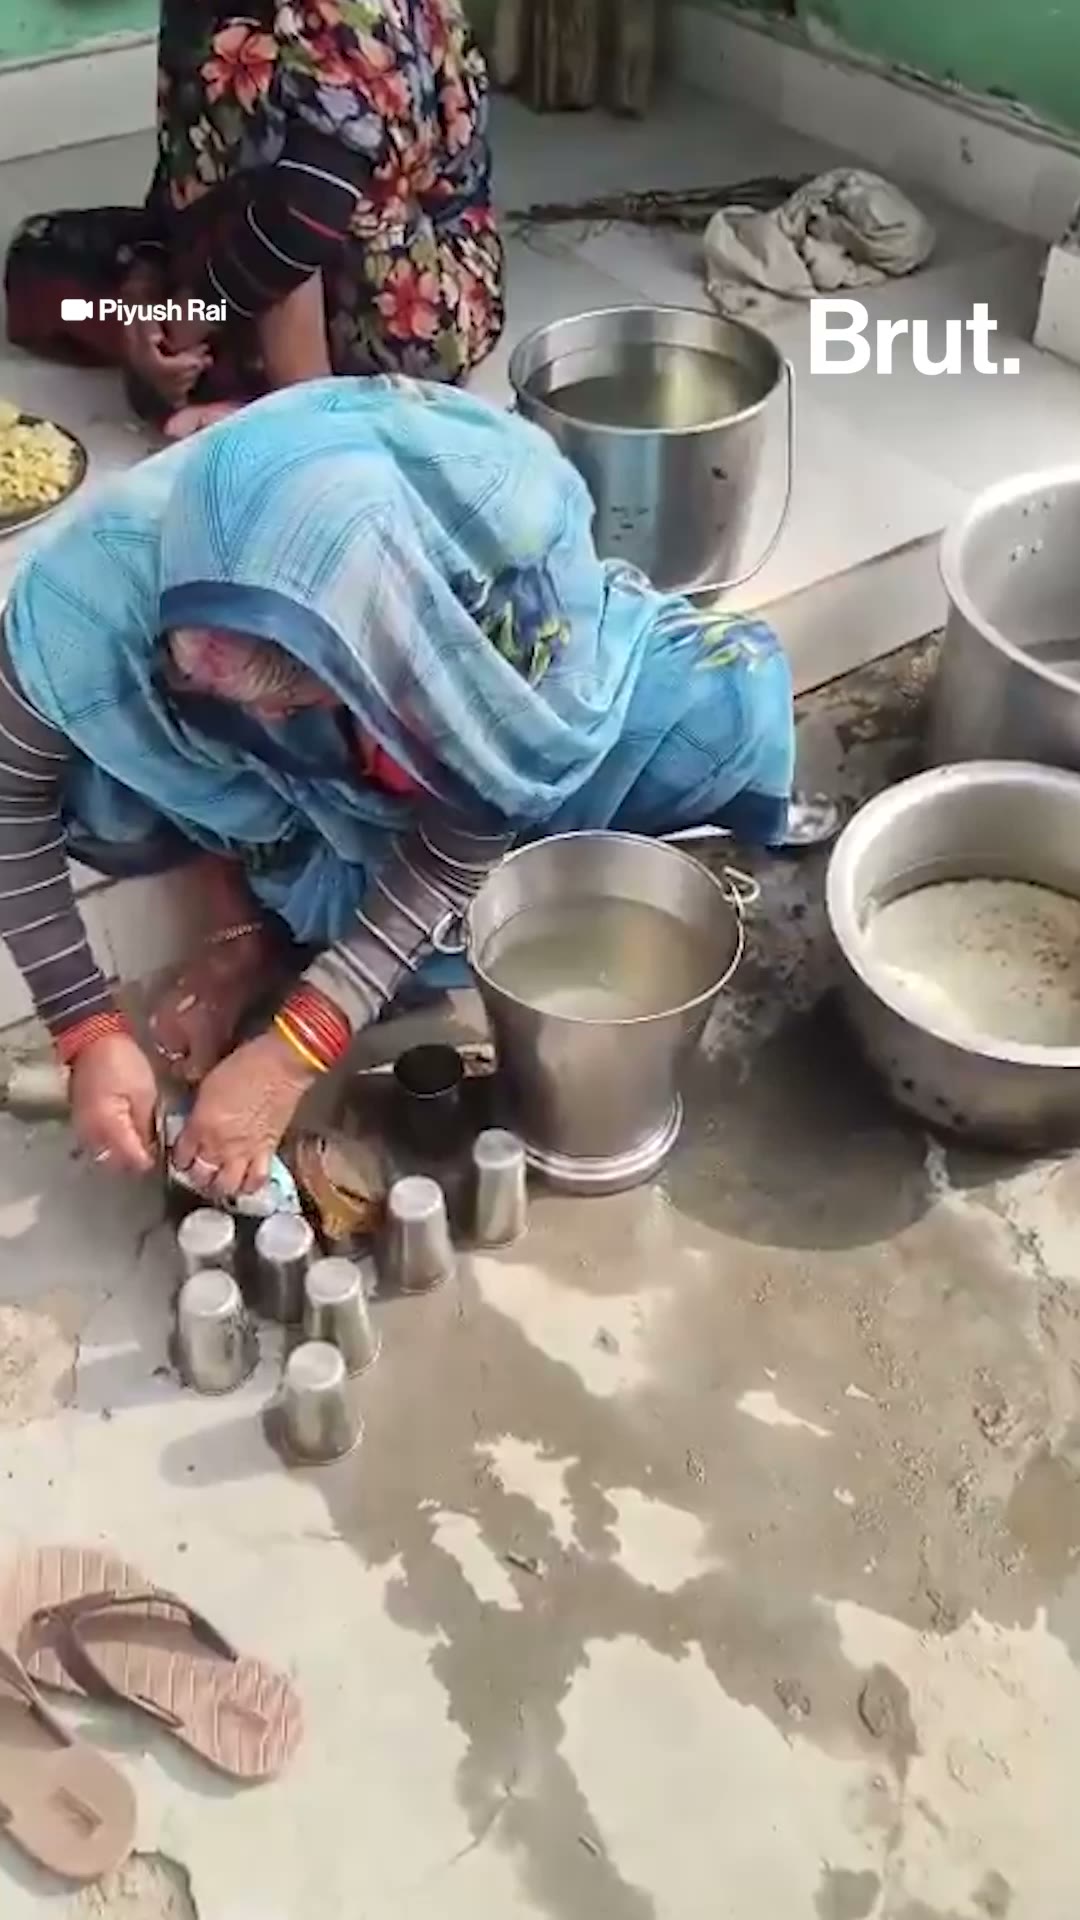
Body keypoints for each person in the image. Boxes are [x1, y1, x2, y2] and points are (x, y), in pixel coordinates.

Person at [0, 377, 794, 1195]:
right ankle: (251, 930)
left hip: (497, 710)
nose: (275, 727)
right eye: (245, 706)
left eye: (293, 699)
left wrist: (290, 1055)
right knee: (101, 779)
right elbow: (9, 802)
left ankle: (339, 929)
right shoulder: (87, 595)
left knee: (722, 711)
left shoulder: (502, 547)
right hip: (293, 808)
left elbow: (468, 829)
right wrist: (86, 1030)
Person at [5, 0, 503, 436]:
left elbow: (304, 217)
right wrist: (146, 292)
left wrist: (182, 321)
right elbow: (189, 161)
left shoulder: (324, 16)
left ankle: (306, 425)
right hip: (272, 265)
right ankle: (207, 367)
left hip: (403, 304)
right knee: (42, 266)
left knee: (270, 186)